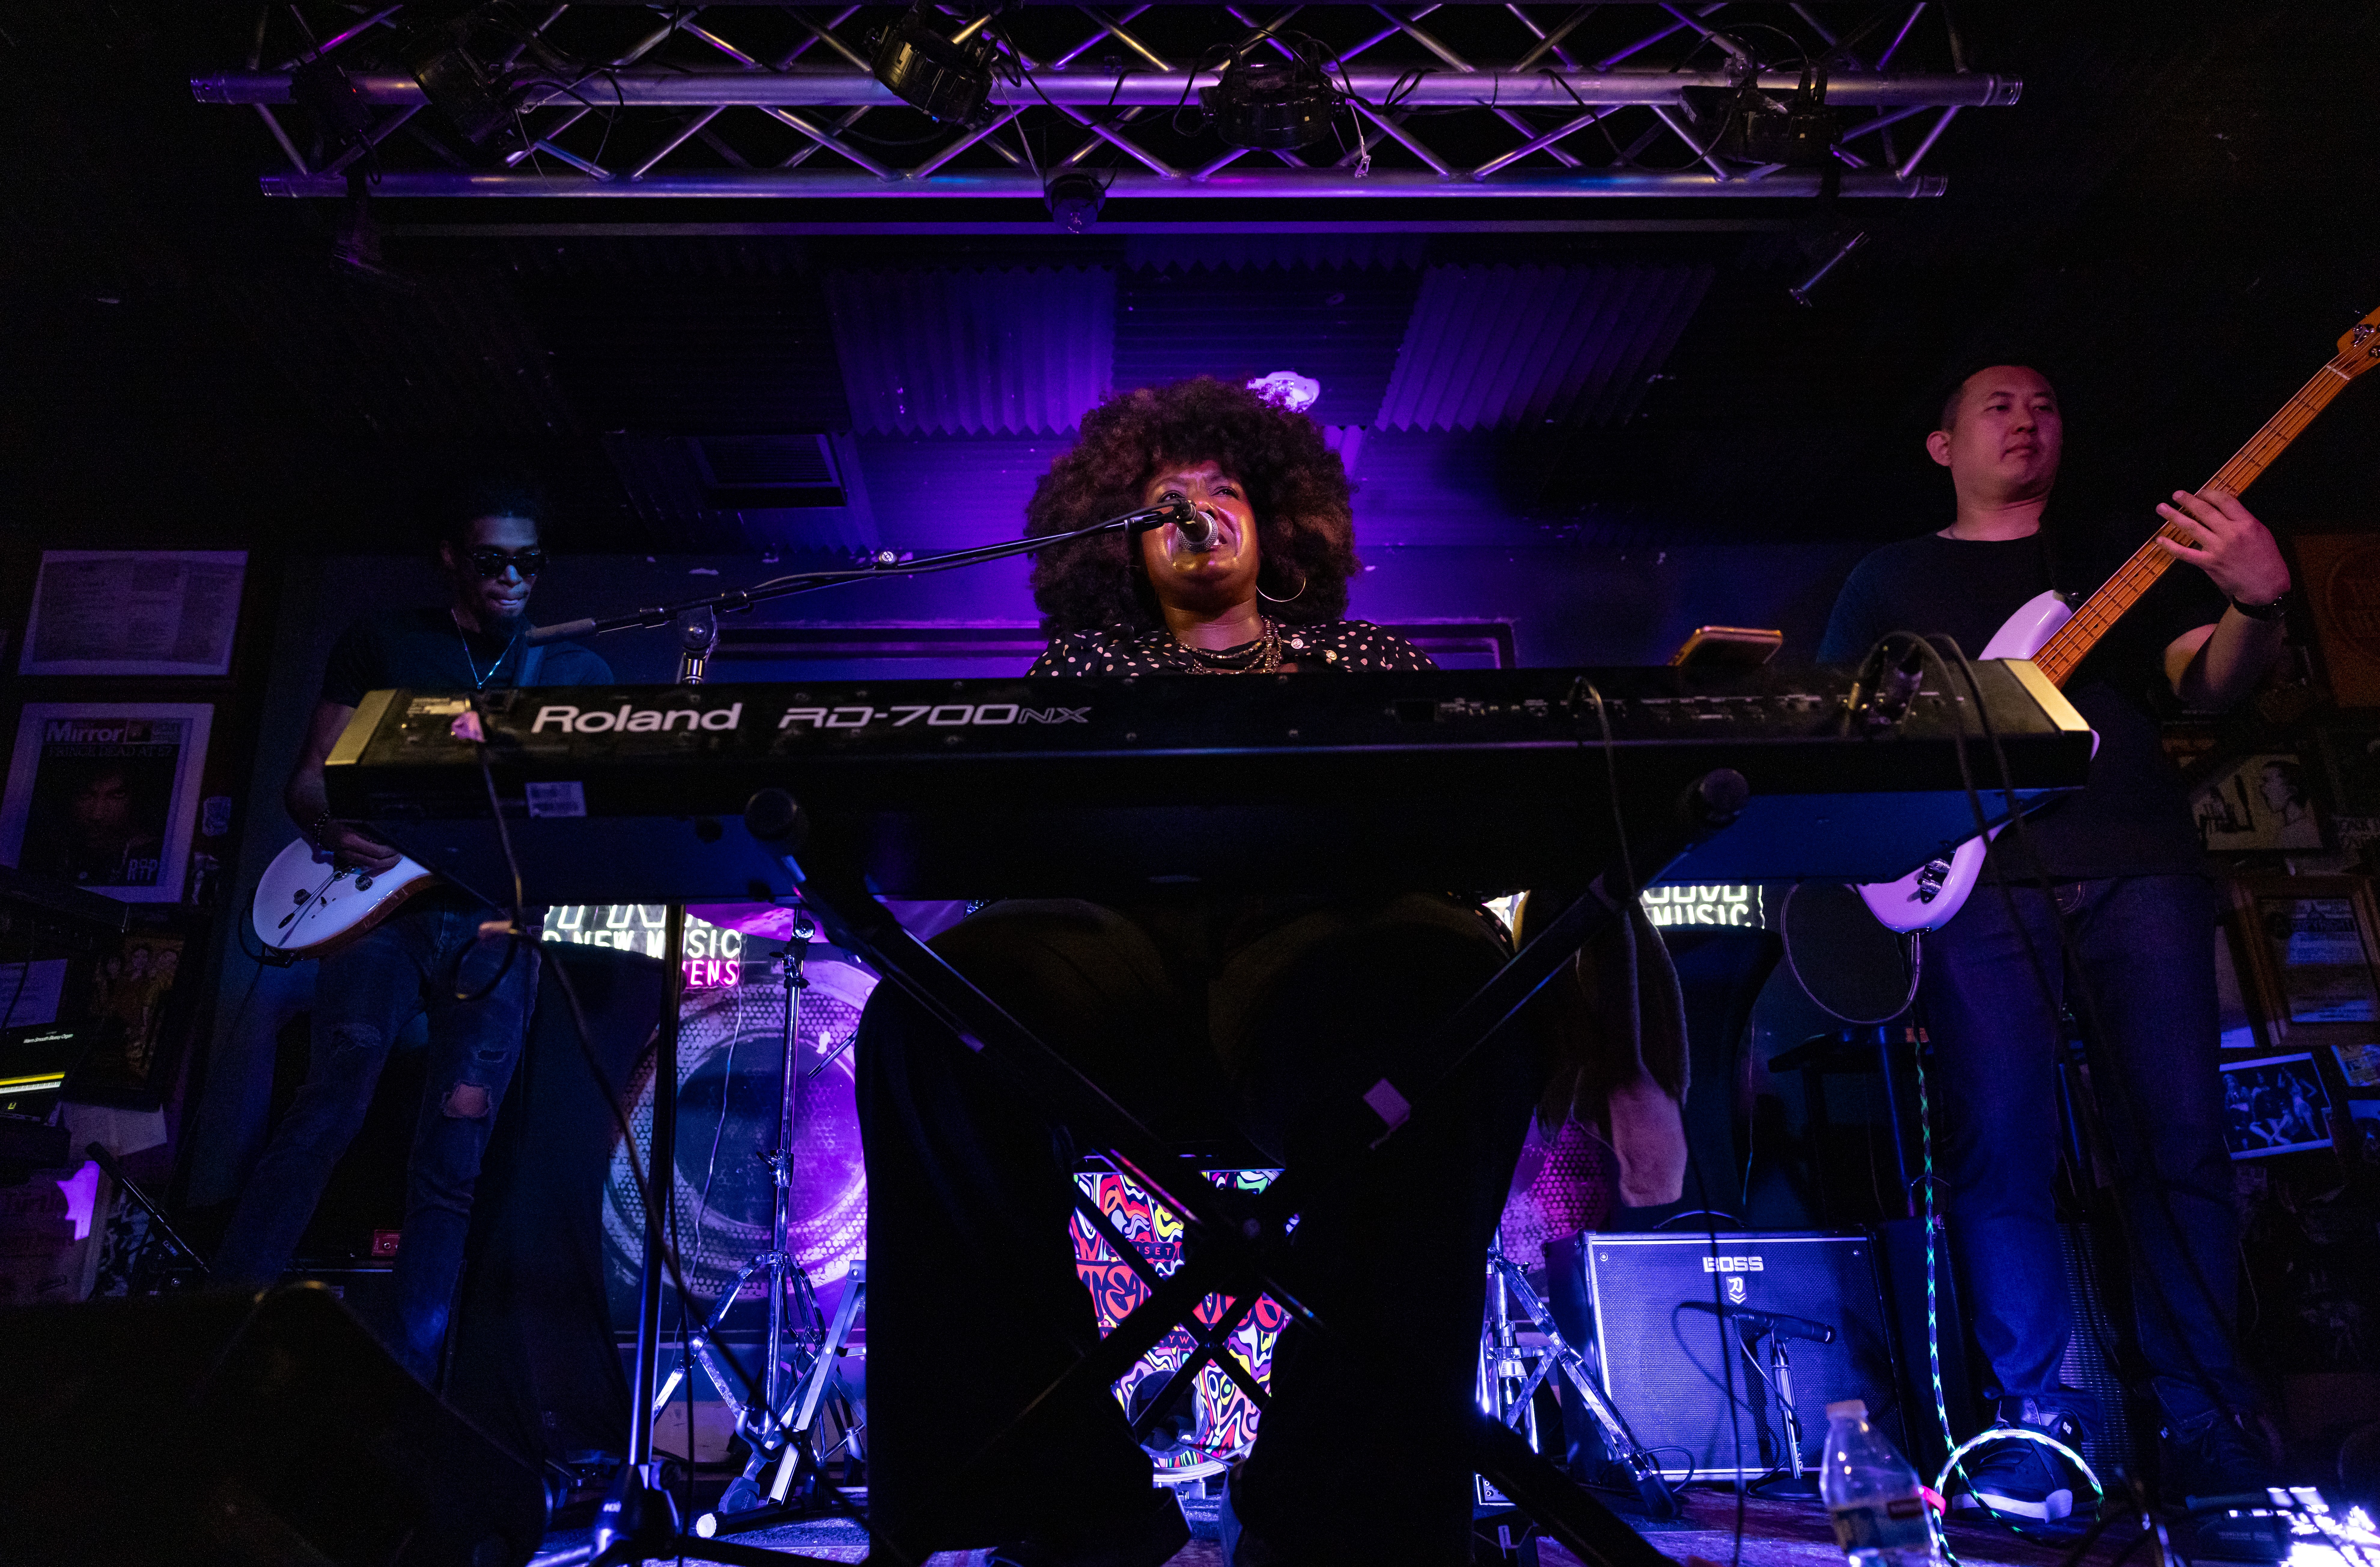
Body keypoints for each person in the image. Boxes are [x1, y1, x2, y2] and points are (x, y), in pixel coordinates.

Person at [856, 377, 1635, 1567]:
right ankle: (1063, 1506)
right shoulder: (1080, 667)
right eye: (1165, 498)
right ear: (1117, 535)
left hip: (1328, 970)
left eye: (1223, 491)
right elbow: (998, 842)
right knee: (930, 1025)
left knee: (1453, 1004)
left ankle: (1332, 1510)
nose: (1197, 512)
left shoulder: (1365, 655)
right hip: (1114, 973)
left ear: (1279, 520)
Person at [1818, 365, 2292, 1523]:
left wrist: (2258, 602)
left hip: (2138, 866)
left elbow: (2207, 686)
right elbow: (1849, 734)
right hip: (1983, 886)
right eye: (1998, 405)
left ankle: (2206, 1418)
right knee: (2002, 1153)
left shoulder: (2117, 563)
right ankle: (2039, 1427)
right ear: (1941, 446)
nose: (2026, 419)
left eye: (2044, 404)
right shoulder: (1891, 576)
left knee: (2180, 1142)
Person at [214, 468, 611, 1380]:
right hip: (381, 910)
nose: (511, 579)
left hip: (493, 922)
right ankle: (219, 1326)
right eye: (491, 561)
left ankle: (412, 1379)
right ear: (451, 561)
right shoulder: (384, 642)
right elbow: (308, 775)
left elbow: (577, 813)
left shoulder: (576, 672)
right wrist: (327, 824)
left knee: (454, 1152)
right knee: (325, 1109)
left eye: (528, 563)